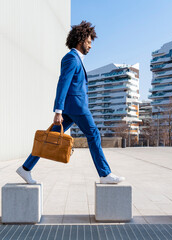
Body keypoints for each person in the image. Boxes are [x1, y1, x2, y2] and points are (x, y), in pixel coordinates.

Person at [16, 21, 125, 184]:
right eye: (89, 42)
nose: (90, 46)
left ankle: (25, 168)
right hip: (76, 106)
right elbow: (63, 83)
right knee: (93, 134)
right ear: (80, 41)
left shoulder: (75, 59)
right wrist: (58, 111)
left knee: (49, 137)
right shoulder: (72, 58)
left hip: (71, 107)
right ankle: (105, 174)